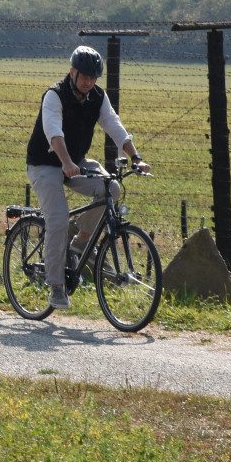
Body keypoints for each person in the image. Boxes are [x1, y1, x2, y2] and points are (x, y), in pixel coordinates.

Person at [25, 45, 148, 312]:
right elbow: (54, 133)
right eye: (85, 77)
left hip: (76, 163)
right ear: (72, 72)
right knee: (57, 218)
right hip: (45, 164)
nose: (89, 82)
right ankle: (56, 286)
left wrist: (135, 157)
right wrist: (66, 162)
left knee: (111, 189)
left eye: (93, 78)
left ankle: (80, 242)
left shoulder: (97, 97)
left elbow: (114, 126)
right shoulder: (54, 96)